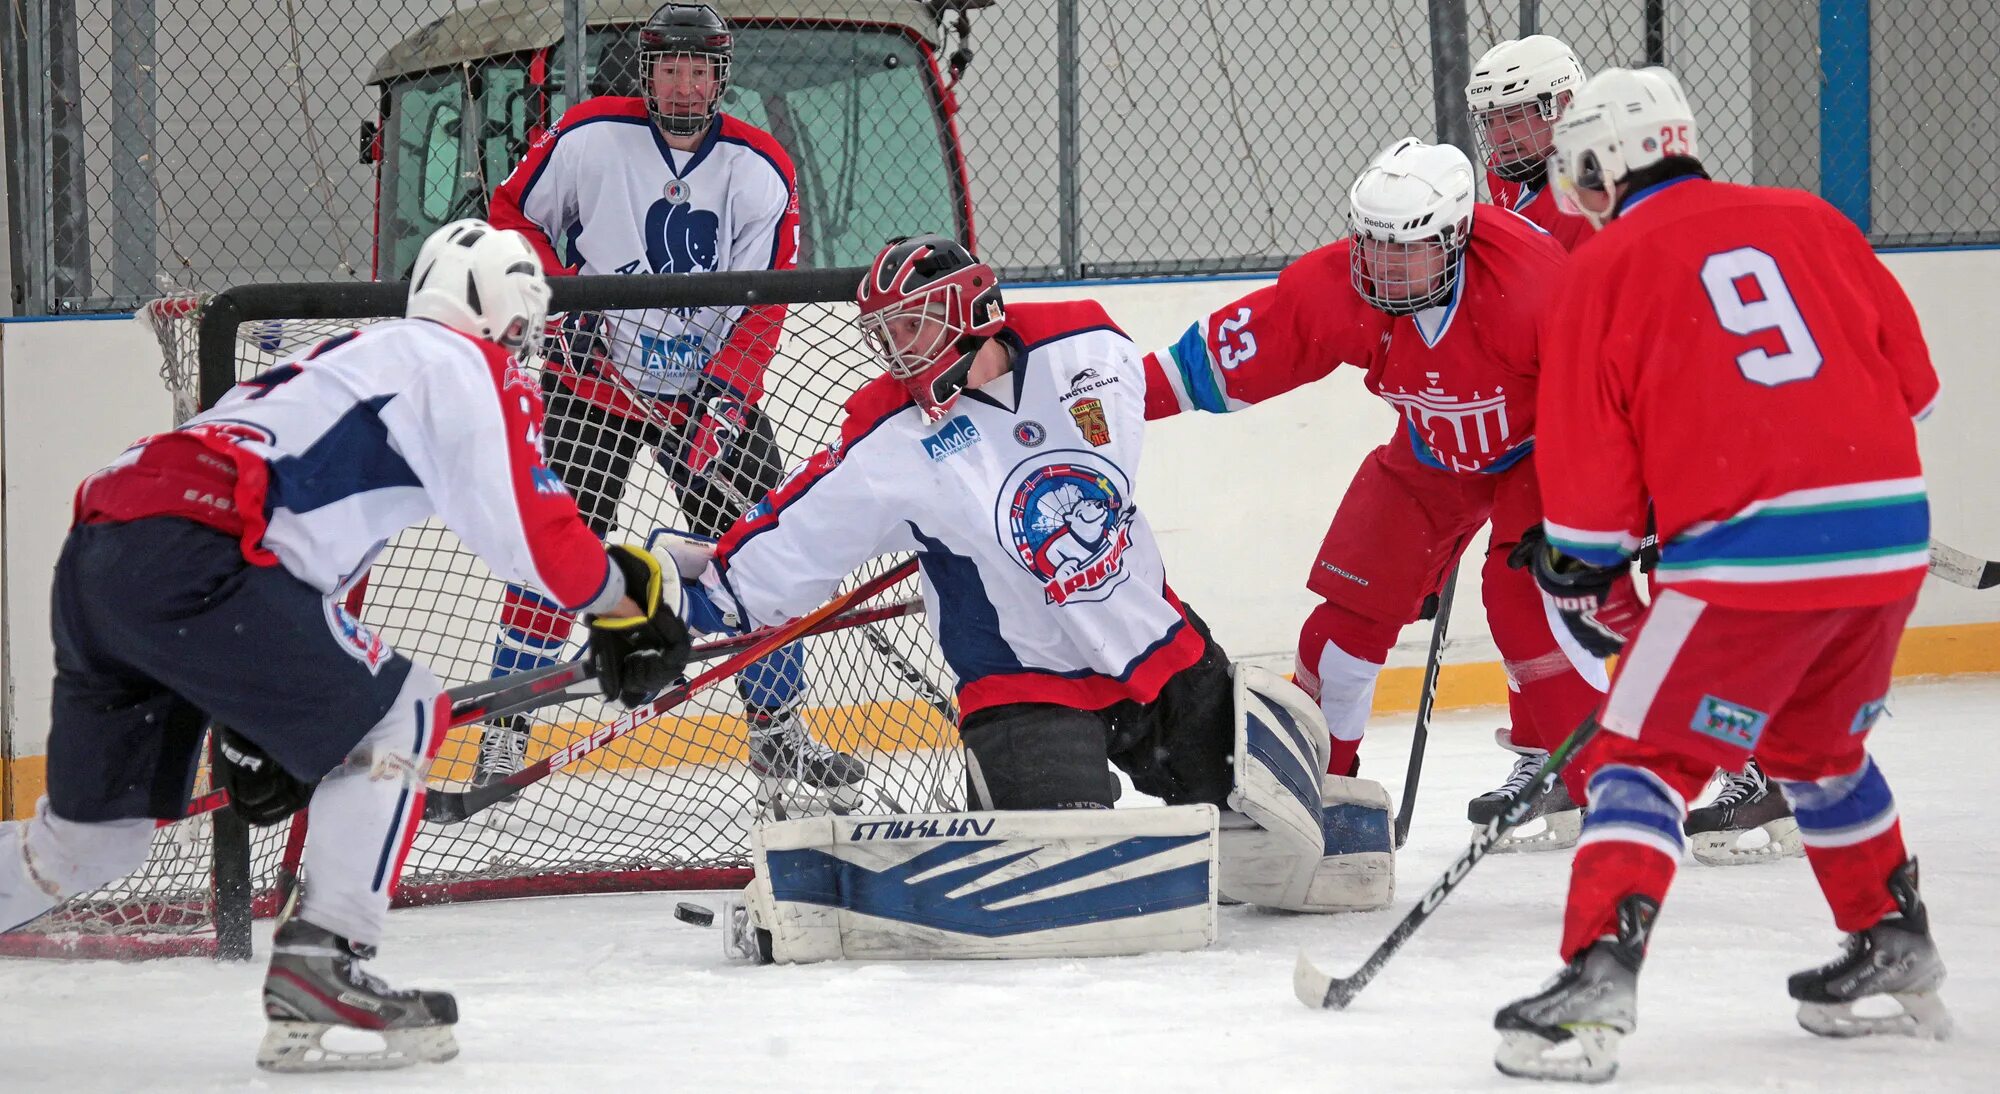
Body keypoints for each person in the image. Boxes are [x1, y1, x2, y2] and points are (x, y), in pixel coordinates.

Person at [0, 220, 691, 1072]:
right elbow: (533, 538)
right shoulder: (462, 365)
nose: (525, 345)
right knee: (405, 712)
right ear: (509, 313)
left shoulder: (351, 359)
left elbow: (308, 568)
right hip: (201, 551)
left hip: (109, 549)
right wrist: (626, 603)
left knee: (90, 841)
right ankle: (327, 957)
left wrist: (260, 722)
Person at [663, 235, 1392, 917]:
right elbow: (797, 537)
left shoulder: (1088, 348)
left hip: (1156, 652)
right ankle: (1011, 791)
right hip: (1024, 687)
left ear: (969, 313)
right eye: (883, 335)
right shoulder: (886, 438)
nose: (895, 352)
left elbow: (1179, 379)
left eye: (911, 327)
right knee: (1072, 881)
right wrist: (694, 595)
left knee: (1277, 838)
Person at [1492, 68, 1948, 1083]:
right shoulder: (1810, 217)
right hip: (1885, 537)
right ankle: (1890, 935)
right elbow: (1913, 392)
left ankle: (1592, 983)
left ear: (1601, 167)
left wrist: (1594, 558)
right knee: (1814, 747)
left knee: (1638, 757)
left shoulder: (1604, 267)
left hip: (1751, 559)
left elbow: (1584, 500)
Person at [1146, 137, 1620, 849]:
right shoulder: (1339, 287)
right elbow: (1213, 360)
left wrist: (1632, 506)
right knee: (1339, 634)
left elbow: (1616, 397)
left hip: (1546, 450)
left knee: (1531, 605)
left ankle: (1615, 801)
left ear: (1458, 237)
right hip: (1433, 452)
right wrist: (1106, 398)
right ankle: (1321, 805)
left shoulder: (1535, 289)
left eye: (1409, 251)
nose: (1385, 269)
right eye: (1372, 247)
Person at [484, 2, 849, 795]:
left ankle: (780, 735)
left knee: (763, 556)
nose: (683, 86)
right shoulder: (587, 137)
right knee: (551, 552)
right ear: (645, 72)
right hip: (594, 384)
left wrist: (727, 396)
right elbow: (512, 220)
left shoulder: (759, 167)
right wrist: (564, 302)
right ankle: (504, 728)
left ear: (721, 75)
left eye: (698, 70)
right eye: (669, 69)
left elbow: (766, 298)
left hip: (706, 396)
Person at [1471, 35, 1799, 856]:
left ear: (1561, 109)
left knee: (1674, 603)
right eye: (1493, 118)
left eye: (1518, 115)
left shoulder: (1597, 188)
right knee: (1517, 591)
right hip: (1550, 439)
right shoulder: (1501, 200)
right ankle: (1557, 754)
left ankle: (1762, 767)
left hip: (1628, 430)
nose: (1503, 134)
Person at [1466, 34, 1594, 251]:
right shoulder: (1504, 168)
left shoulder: (1595, 198)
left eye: (1512, 117)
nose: (1495, 138)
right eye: (1488, 120)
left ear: (1563, 106)